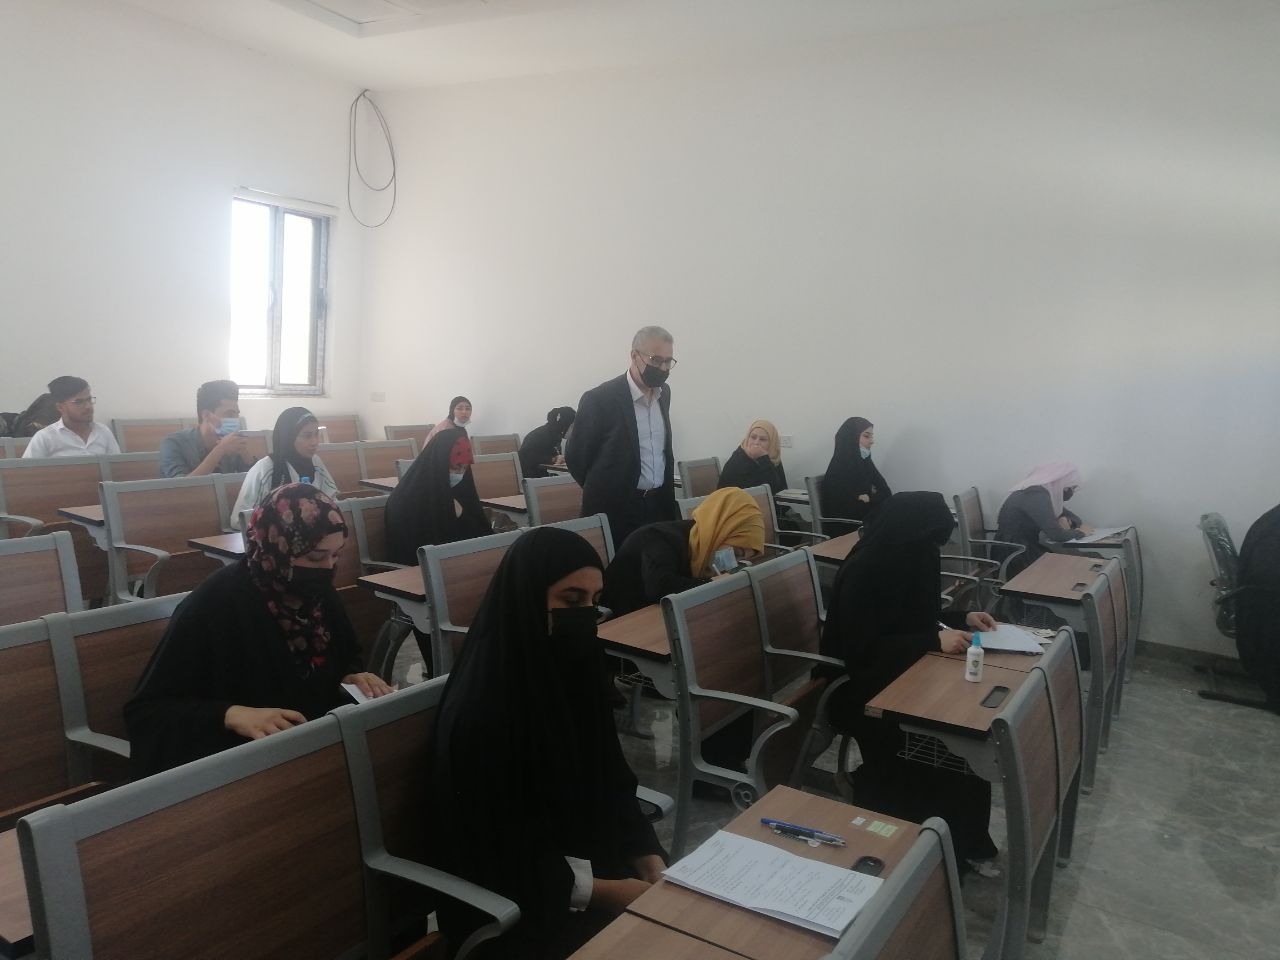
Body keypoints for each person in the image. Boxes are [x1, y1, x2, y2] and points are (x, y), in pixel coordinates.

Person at [428, 527, 666, 957]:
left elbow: (612, 779)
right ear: (526, 600)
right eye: (571, 600)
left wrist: (647, 857)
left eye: (594, 601)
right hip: (516, 908)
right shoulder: (482, 710)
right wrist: (610, 892)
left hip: (587, 875)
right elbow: (499, 852)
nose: (585, 614)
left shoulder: (575, 673)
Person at [124, 484, 393, 777]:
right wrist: (232, 714)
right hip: (241, 763)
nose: (328, 568)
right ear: (277, 547)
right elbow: (148, 712)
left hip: (311, 746)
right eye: (316, 557)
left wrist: (350, 677)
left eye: (337, 556)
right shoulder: (215, 604)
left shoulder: (314, 593)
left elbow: (342, 657)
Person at [819, 491, 999, 866]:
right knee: (933, 740)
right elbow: (861, 650)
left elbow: (915, 617)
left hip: (903, 674)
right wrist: (931, 641)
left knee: (962, 729)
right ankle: (913, 853)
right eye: (929, 541)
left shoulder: (911, 554)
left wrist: (961, 618)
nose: (932, 550)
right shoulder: (867, 568)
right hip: (856, 687)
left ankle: (959, 845)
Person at [567, 326, 678, 549]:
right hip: (617, 510)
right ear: (634, 356)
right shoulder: (600, 399)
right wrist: (605, 488)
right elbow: (576, 456)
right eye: (656, 360)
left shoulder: (663, 394)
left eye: (668, 361)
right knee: (620, 568)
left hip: (657, 505)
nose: (663, 368)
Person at [600, 487, 764, 618]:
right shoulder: (659, 537)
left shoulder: (701, 546)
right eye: (736, 552)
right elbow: (660, 587)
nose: (733, 562)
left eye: (742, 559)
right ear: (718, 530)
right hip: (623, 619)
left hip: (660, 613)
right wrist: (714, 583)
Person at [385, 427, 490, 566]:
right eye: (456, 468)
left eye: (465, 469)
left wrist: (462, 515)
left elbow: (483, 536)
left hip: (465, 564)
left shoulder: (461, 490)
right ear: (438, 464)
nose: (460, 474)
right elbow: (413, 552)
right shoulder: (405, 500)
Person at [230, 408, 339, 528]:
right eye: (307, 436)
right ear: (289, 437)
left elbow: (334, 503)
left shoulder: (315, 462)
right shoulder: (267, 468)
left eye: (316, 434)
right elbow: (238, 520)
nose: (315, 442)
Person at [995, 462, 1095, 578]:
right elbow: (1057, 535)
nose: (1071, 491)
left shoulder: (1042, 493)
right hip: (1016, 554)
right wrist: (1082, 532)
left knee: (1088, 559)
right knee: (1082, 564)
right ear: (1061, 482)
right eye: (1071, 487)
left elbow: (1076, 519)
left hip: (1023, 548)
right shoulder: (1035, 496)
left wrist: (1066, 520)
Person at [1227, 504, 1280, 712]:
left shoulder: (1274, 518)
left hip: (1260, 602)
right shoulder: (1274, 529)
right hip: (1263, 607)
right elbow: (1269, 577)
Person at [159, 379, 249, 477]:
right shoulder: (173, 443)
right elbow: (180, 485)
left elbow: (253, 480)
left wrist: (245, 455)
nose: (236, 420)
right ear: (206, 415)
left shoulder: (233, 443)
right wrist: (220, 450)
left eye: (237, 415)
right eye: (230, 414)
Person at [22, 376, 120, 458]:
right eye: (79, 402)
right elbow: (28, 472)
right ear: (60, 407)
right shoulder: (45, 437)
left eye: (89, 400)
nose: (88, 406)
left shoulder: (103, 431)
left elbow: (118, 468)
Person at [819, 416, 889, 531]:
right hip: (847, 529)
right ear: (851, 438)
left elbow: (886, 492)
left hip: (866, 522)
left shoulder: (865, 463)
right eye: (866, 436)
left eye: (871, 436)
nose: (872, 441)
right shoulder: (839, 468)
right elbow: (846, 509)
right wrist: (872, 496)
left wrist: (869, 497)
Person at [717, 419, 788, 495]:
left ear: (771, 443)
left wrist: (764, 459)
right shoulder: (738, 457)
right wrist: (763, 459)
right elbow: (754, 492)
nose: (756, 443)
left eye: (762, 439)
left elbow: (779, 490)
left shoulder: (773, 457)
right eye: (753, 437)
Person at [519, 407, 576, 479]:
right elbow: (524, 455)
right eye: (572, 426)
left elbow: (555, 454)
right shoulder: (540, 435)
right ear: (564, 425)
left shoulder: (555, 435)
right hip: (531, 477)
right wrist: (553, 459)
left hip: (541, 474)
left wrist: (560, 458)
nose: (575, 430)